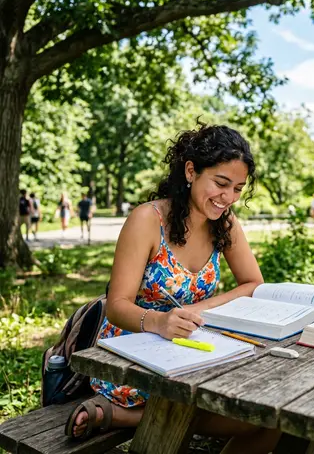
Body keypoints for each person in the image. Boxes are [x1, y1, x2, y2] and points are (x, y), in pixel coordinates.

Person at [65, 125, 281, 453]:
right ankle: (128, 412)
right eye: (221, 184)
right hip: (134, 358)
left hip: (192, 351)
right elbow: (116, 305)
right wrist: (160, 321)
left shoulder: (225, 222)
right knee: (259, 418)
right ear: (191, 171)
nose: (228, 198)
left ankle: (128, 418)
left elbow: (254, 284)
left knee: (271, 414)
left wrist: (200, 310)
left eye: (237, 188)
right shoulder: (147, 220)